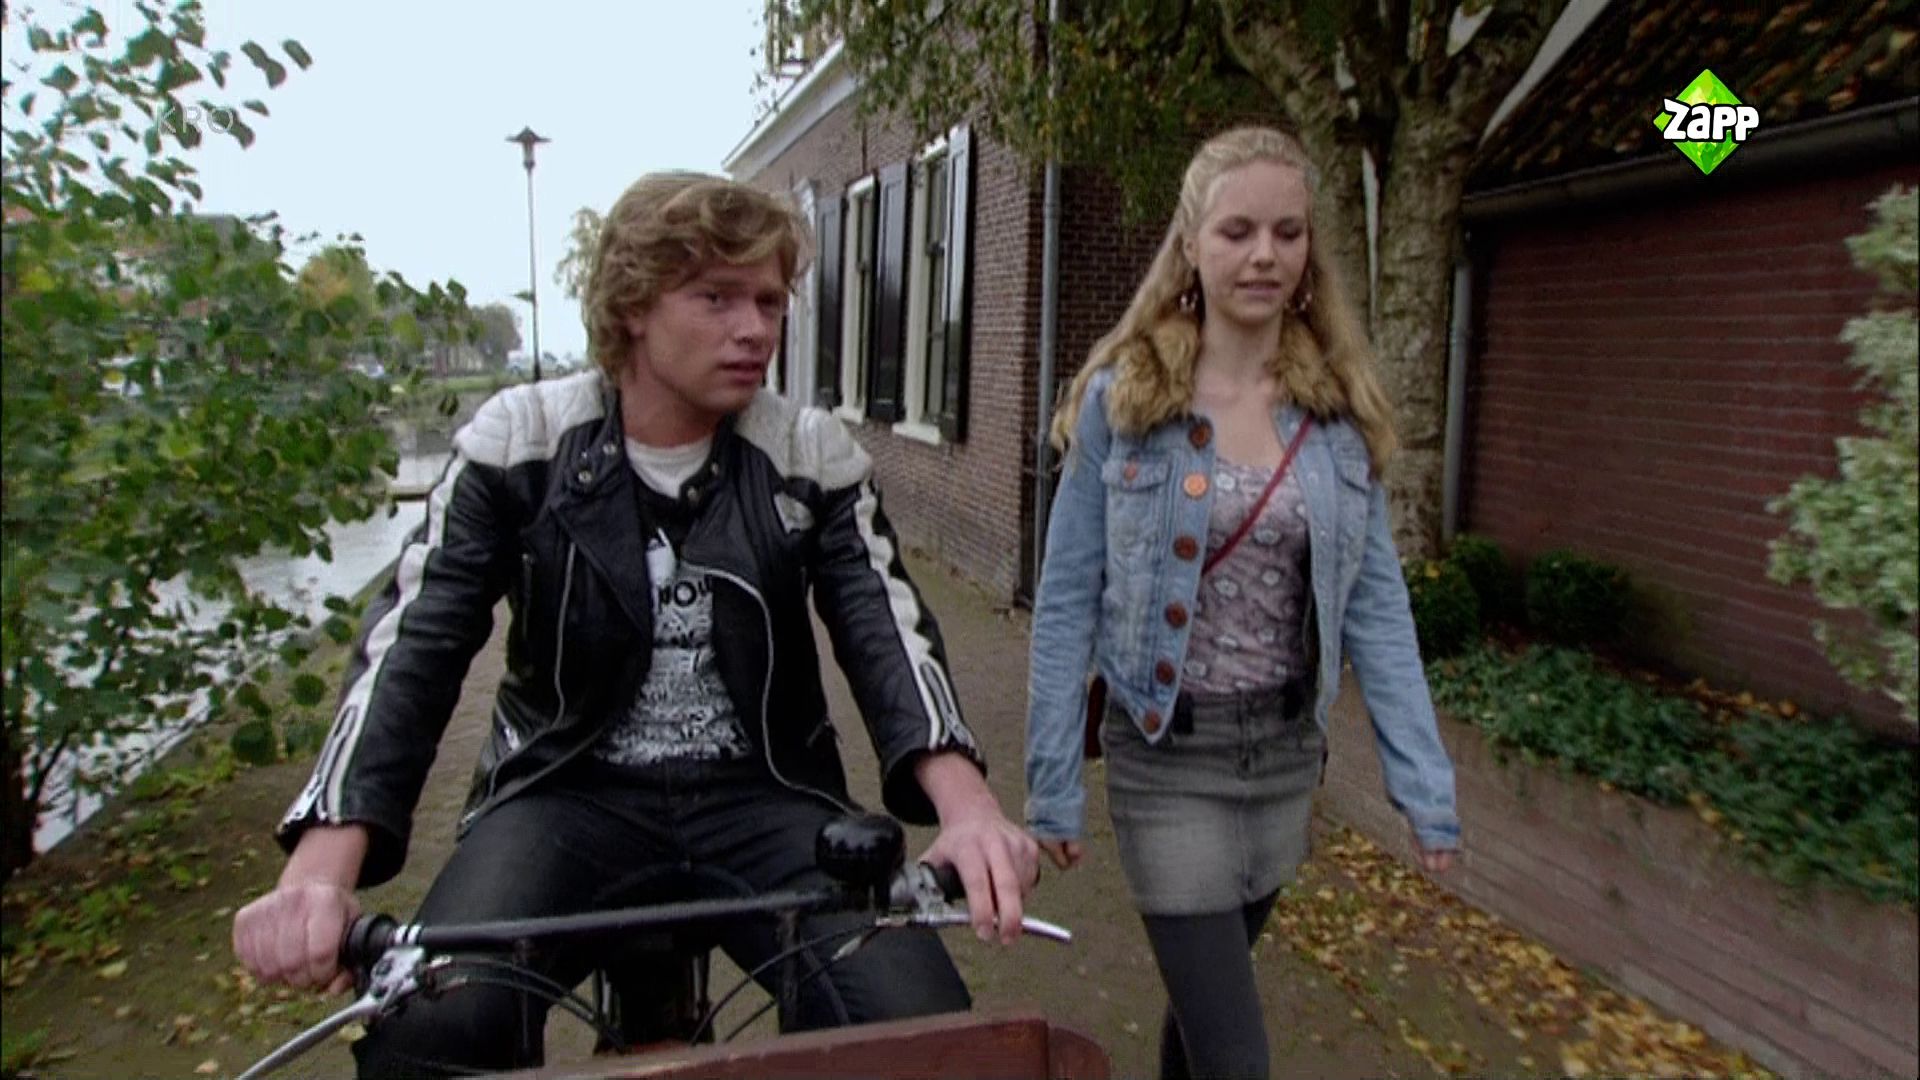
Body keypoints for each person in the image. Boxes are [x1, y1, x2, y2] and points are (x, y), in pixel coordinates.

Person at [233, 172, 1040, 1077]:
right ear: (632, 306)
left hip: (767, 791)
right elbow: (415, 645)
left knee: (919, 1029)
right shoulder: (521, 442)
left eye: (770, 301)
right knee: (432, 1031)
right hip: (561, 790)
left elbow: (884, 627)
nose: (755, 329)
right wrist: (319, 872)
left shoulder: (808, 454)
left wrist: (969, 811)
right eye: (717, 297)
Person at [1024, 126, 1460, 1080]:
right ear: (1191, 244)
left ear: (1309, 251)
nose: (1265, 254)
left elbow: (1377, 608)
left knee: (1202, 1022)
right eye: (1237, 232)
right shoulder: (1125, 402)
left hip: (1285, 756)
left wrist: (1423, 785)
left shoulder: (1338, 414)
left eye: (1287, 233)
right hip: (1166, 755)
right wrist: (1052, 784)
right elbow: (1064, 601)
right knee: (1237, 1056)